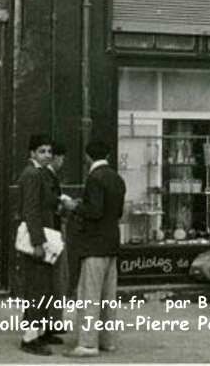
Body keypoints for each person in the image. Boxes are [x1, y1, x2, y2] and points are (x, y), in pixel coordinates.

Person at [66, 139, 126, 358]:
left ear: (87, 157)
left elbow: (94, 211)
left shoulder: (94, 178)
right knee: (108, 297)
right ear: (108, 155)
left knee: (89, 295)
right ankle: (107, 341)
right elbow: (117, 212)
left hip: (93, 245)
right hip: (111, 243)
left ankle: (88, 344)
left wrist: (75, 206)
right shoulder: (117, 179)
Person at [16, 134, 62, 355]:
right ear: (32, 153)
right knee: (37, 288)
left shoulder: (40, 173)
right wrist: (37, 242)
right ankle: (29, 338)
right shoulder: (33, 174)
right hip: (40, 238)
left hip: (45, 236)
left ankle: (40, 332)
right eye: (42, 151)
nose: (47, 155)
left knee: (43, 286)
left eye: (49, 152)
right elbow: (31, 210)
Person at [46, 141, 70, 331]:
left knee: (57, 278)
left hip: (52, 231)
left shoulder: (48, 176)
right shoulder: (48, 177)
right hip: (53, 232)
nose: (62, 161)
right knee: (57, 278)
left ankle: (54, 320)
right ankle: (53, 321)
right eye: (61, 157)